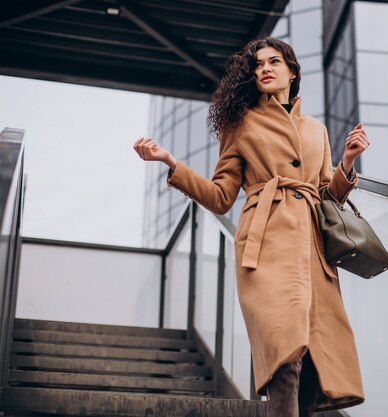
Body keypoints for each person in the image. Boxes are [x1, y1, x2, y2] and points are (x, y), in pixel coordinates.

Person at [133, 36, 369, 417]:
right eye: (258, 65)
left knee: (313, 360)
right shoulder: (240, 124)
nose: (264, 69)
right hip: (265, 249)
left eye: (274, 62)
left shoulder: (316, 130)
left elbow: (328, 199)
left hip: (312, 251)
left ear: (292, 71)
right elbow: (220, 196)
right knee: (283, 351)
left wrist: (347, 164)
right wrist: (171, 163)